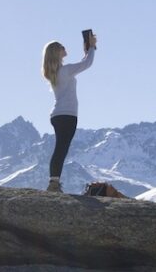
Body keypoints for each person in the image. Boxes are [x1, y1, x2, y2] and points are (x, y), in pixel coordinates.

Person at [41, 33, 97, 193]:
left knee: (61, 147)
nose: (65, 49)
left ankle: (54, 182)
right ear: (56, 52)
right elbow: (87, 63)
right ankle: (53, 184)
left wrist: (87, 50)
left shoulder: (56, 72)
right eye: (62, 47)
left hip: (58, 114)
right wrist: (91, 47)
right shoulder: (65, 71)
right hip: (67, 115)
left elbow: (82, 62)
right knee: (61, 148)